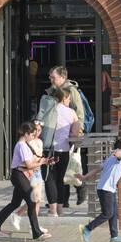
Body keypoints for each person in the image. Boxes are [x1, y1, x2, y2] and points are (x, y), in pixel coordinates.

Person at [0, 121, 52, 241]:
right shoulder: (22, 145)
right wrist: (42, 162)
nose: (34, 137)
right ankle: (37, 233)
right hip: (19, 175)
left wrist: (44, 161)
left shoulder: (25, 144)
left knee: (15, 203)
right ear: (26, 134)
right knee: (32, 202)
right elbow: (29, 165)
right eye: (32, 134)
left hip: (20, 174)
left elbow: (29, 163)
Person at [80, 137, 121, 242]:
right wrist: (118, 152)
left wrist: (85, 177)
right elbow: (118, 154)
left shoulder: (110, 159)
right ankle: (87, 229)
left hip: (108, 189)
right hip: (105, 189)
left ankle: (114, 237)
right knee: (108, 213)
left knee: (114, 214)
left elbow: (98, 169)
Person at [43, 85, 83, 218]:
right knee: (60, 180)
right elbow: (76, 131)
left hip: (49, 150)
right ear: (64, 97)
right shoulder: (71, 113)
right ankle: (60, 209)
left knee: (50, 179)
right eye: (69, 98)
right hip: (64, 150)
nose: (69, 101)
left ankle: (52, 210)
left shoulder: (50, 110)